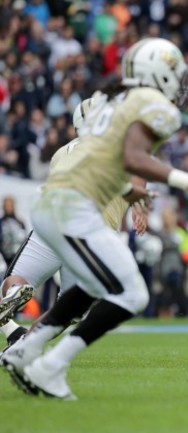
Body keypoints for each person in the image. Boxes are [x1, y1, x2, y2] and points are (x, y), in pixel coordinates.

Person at [1, 37, 188, 399]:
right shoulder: (152, 105)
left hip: (56, 206)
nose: (180, 79)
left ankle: (25, 350)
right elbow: (133, 158)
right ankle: (48, 366)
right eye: (173, 71)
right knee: (132, 294)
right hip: (75, 211)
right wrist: (187, 181)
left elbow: (114, 159)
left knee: (87, 289)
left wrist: (132, 194)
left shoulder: (108, 98)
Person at [0, 95, 149, 345]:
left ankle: (15, 323)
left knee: (13, 283)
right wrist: (140, 207)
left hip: (52, 225)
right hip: (90, 237)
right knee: (69, 311)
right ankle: (24, 344)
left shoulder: (62, 152)